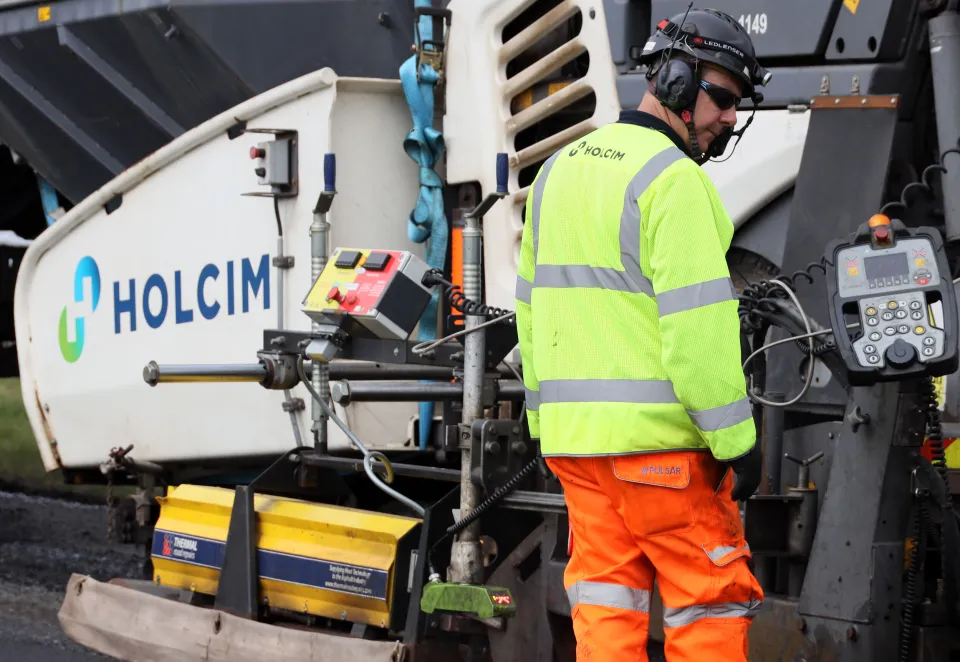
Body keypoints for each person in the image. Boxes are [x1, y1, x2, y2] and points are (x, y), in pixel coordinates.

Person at [514, 7, 771, 661]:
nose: (728, 119)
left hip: (580, 456)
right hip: (663, 458)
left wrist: (546, 427)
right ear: (678, 82)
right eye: (722, 98)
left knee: (604, 608)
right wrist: (739, 444)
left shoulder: (556, 172)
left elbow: (532, 313)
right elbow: (698, 333)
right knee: (709, 603)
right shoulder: (673, 182)